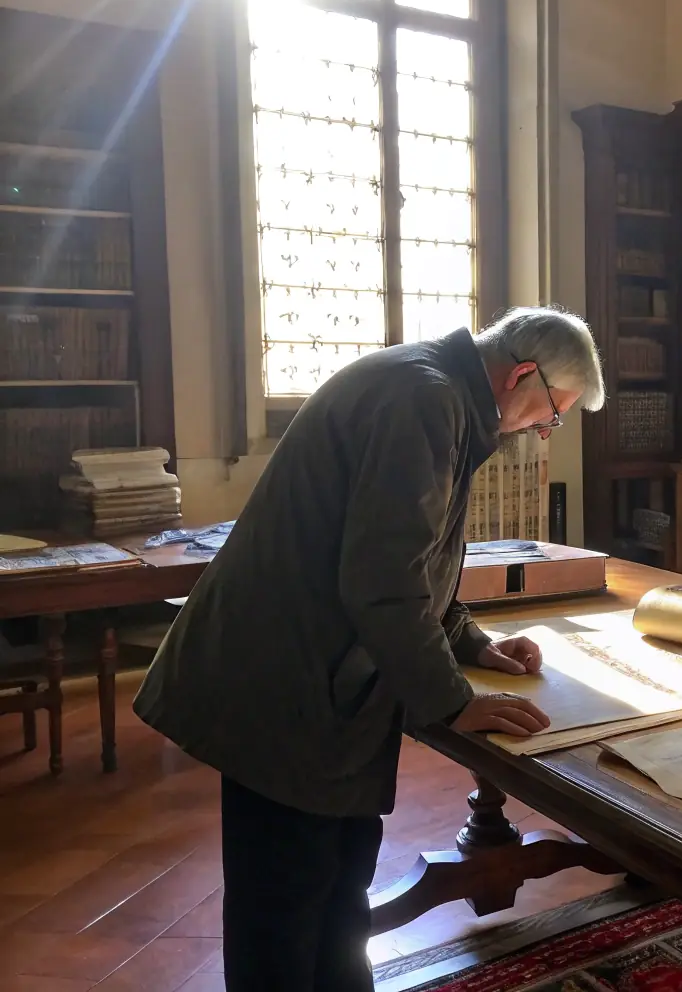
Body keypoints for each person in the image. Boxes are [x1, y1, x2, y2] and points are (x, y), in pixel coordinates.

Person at [133, 307, 606, 992]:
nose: (541, 430)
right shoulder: (425, 399)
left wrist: (473, 642)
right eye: (550, 413)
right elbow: (382, 582)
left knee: (339, 881)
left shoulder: (440, 393)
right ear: (520, 374)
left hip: (314, 675)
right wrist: (452, 701)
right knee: (287, 898)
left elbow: (415, 561)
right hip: (284, 683)